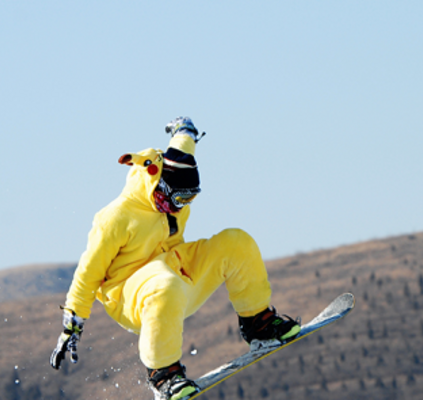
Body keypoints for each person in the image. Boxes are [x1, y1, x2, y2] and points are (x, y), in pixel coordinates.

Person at [49, 117, 300, 400]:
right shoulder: (116, 218)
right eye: (173, 200)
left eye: (186, 201)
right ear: (157, 181)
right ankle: (163, 374)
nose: (176, 207)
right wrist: (73, 323)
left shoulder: (175, 179)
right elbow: (87, 272)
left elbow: (182, 145)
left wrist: (185, 129)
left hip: (174, 268)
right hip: (131, 293)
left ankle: (259, 324)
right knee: (163, 285)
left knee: (236, 242)